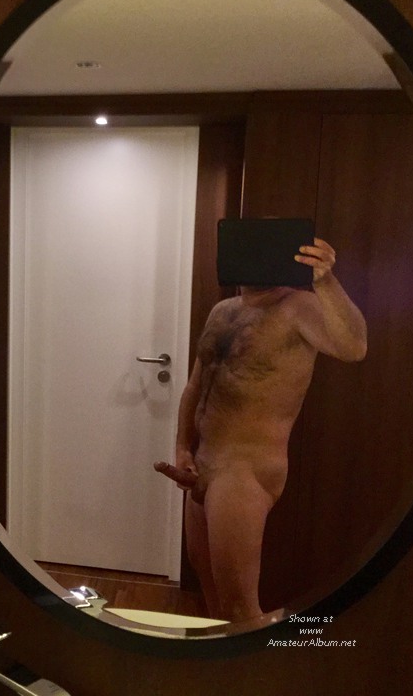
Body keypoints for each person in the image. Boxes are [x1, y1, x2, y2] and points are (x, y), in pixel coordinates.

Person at [153, 238, 366, 623]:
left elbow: (353, 347)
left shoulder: (298, 306)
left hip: (244, 471)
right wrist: (183, 447)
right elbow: (195, 387)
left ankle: (319, 636)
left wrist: (326, 280)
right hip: (203, 464)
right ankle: (230, 664)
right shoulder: (223, 310)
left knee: (241, 611)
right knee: (212, 598)